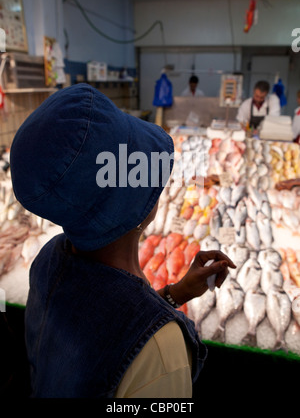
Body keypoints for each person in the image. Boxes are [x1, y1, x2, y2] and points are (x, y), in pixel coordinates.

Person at [9, 84, 234, 398]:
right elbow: (128, 340)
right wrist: (158, 321)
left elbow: (102, 324)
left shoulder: (49, 259)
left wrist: (173, 294)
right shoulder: (161, 350)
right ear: (132, 200)